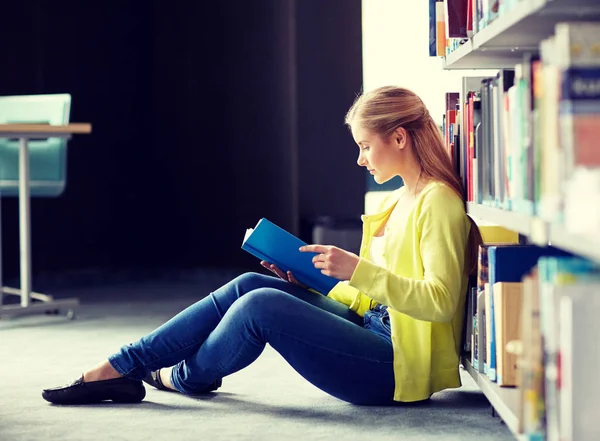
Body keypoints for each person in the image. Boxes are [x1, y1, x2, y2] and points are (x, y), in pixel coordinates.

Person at [42, 86, 482, 406]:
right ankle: (123, 365)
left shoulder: (438, 202)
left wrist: (355, 270)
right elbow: (373, 297)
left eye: (366, 146)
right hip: (372, 326)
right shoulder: (399, 199)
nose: (360, 159)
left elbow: (441, 302)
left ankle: (179, 377)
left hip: (396, 363)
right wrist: (313, 279)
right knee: (251, 284)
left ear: (399, 138)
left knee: (261, 309)